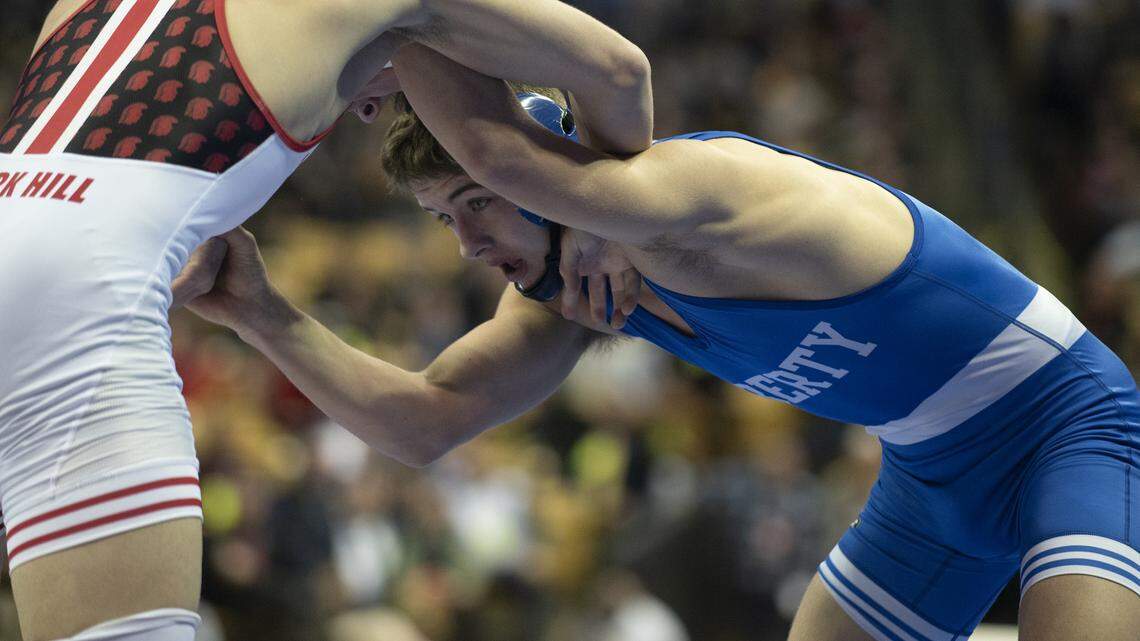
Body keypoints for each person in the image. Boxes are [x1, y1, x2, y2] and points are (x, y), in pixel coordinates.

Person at [174, 45, 1140, 641]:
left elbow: (554, 125)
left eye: (473, 204)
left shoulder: (693, 191)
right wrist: (264, 313)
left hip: (1068, 429)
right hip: (931, 485)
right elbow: (427, 422)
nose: (468, 244)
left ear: (549, 162)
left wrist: (389, 24)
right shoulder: (576, 290)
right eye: (442, 220)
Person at [0, 1, 651, 639]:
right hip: (80, 296)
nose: (367, 112)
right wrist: (597, 216)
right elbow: (619, 70)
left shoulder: (77, 7)